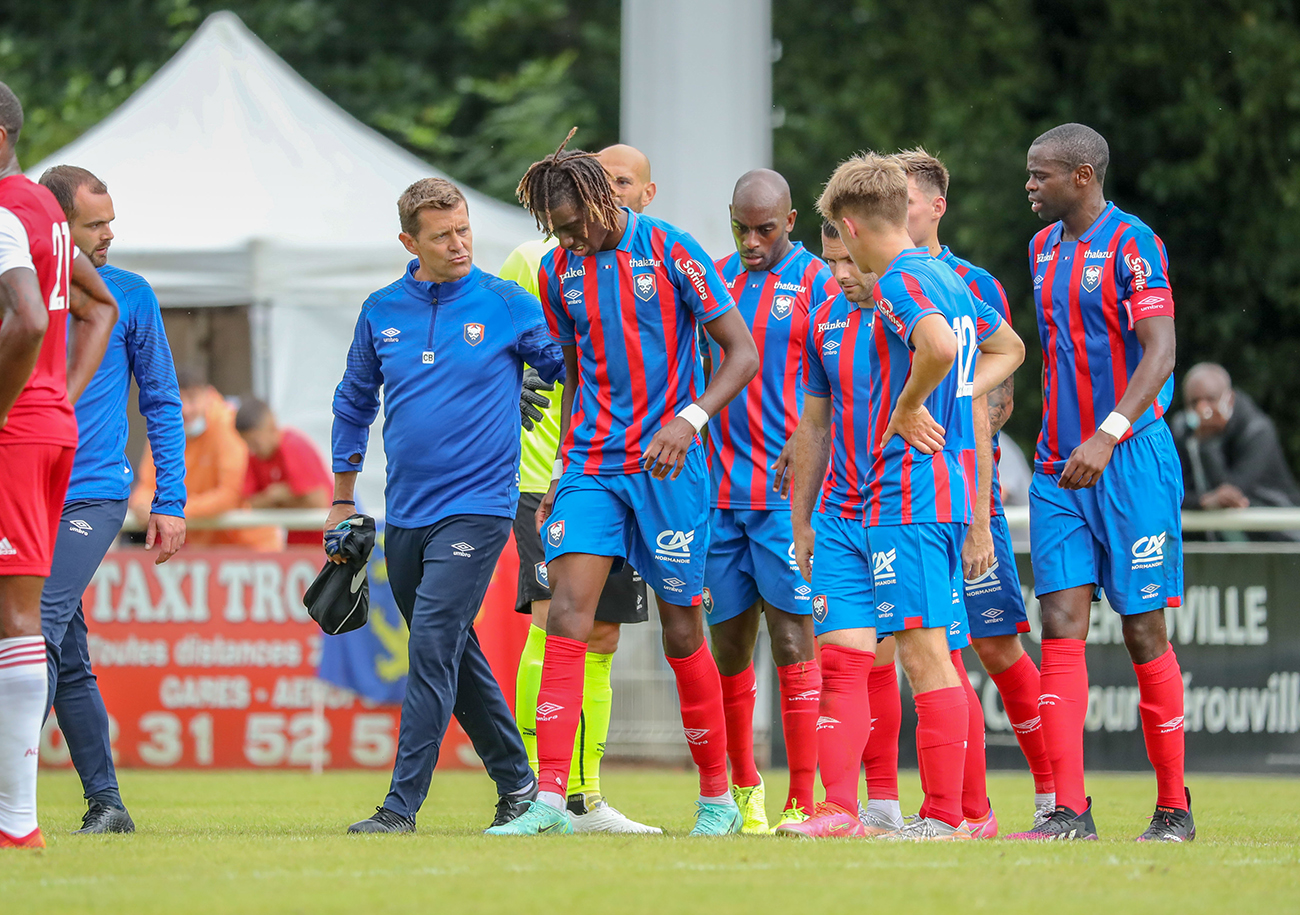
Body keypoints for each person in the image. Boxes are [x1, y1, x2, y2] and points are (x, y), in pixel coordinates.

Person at [487, 131, 759, 836]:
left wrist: (692, 418)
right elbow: (575, 374)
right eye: (555, 229)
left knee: (679, 629)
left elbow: (741, 351)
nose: (567, 239)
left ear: (603, 200)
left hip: (670, 467)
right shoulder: (556, 272)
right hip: (591, 466)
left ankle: (717, 800)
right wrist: (557, 472)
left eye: (574, 225)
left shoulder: (670, 250)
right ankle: (551, 800)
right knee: (568, 616)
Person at [787, 153, 1022, 841]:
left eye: (839, 244)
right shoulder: (844, 305)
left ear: (850, 226)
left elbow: (944, 347)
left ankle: (948, 815)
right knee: (842, 656)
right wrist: (961, 393)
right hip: (845, 506)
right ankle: (840, 808)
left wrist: (918, 403)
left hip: (912, 496)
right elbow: (1004, 348)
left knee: (924, 655)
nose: (837, 267)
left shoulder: (911, 278)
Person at [332, 177, 563, 834]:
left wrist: (529, 385)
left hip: (482, 506)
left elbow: (564, 364)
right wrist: (341, 500)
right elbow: (353, 403)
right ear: (410, 241)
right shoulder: (381, 310)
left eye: (463, 229)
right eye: (443, 235)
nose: (459, 243)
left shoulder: (507, 302)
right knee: (453, 650)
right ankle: (520, 783)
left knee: (433, 645)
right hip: (404, 513)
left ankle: (400, 807)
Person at [1013, 123, 1191, 842]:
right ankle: (1068, 810)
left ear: (1083, 176)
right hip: (1062, 469)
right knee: (1060, 625)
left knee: (1144, 629)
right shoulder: (1041, 248)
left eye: (1041, 175)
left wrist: (1107, 433)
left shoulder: (1133, 244)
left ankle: (1173, 809)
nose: (1030, 186)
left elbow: (1161, 350)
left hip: (1129, 461)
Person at [500, 142, 659, 834]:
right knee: (554, 622)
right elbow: (507, 352)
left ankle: (582, 794)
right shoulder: (535, 260)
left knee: (600, 634)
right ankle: (541, 791)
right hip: (552, 474)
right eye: (608, 179)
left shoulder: (645, 259)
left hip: (622, 476)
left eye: (627, 182)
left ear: (645, 194)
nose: (614, 193)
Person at [897, 147, 1057, 830]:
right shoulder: (877, 282)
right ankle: (971, 810)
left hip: (967, 493)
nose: (890, 213)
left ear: (936, 205)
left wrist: (982, 515)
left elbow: (998, 406)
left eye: (902, 200)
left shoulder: (970, 282)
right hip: (904, 499)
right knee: (933, 648)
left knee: (997, 646)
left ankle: (1056, 795)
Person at [35, 165, 187, 835]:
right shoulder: (22, 289)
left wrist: (171, 498)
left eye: (109, 219)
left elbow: (161, 400)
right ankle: (108, 803)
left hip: (92, 493)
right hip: (23, 492)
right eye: (94, 223)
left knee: (35, 624)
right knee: (64, 646)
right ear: (56, 226)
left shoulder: (129, 294)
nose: (109, 233)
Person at [0, 81, 118, 850]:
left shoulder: (10, 208)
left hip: (15, 428)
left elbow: (31, 316)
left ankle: (17, 821)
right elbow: (95, 306)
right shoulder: (43, 209)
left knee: (16, 620)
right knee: (24, 625)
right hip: (46, 428)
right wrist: (59, 395)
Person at [703, 168, 836, 833]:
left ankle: (801, 798)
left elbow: (841, 379)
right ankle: (745, 789)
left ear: (790, 221)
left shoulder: (820, 282)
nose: (752, 241)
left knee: (792, 637)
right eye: (741, 228)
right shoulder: (714, 278)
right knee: (728, 645)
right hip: (718, 492)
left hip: (786, 497)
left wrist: (814, 445)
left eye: (766, 229)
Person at [130, 368, 278, 551]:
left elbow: (230, 495)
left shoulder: (227, 424)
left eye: (192, 398)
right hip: (203, 551)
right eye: (178, 400)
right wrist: (141, 505)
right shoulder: (163, 430)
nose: (185, 409)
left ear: (208, 396)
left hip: (249, 547)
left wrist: (171, 511)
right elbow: (147, 485)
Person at [1171, 362, 1300, 539]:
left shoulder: (1257, 431)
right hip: (1213, 542)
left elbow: (1231, 495)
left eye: (1210, 399)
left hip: (1276, 536)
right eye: (1194, 402)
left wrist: (1208, 443)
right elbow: (1173, 492)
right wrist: (1203, 501)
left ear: (1229, 399)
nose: (1202, 410)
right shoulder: (1182, 430)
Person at [235, 398, 332, 546]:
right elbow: (251, 503)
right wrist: (276, 497)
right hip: (296, 541)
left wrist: (281, 498)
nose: (252, 449)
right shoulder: (254, 456)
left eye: (255, 442)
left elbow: (319, 501)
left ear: (271, 427)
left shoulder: (292, 447)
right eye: (247, 444)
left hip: (327, 540)